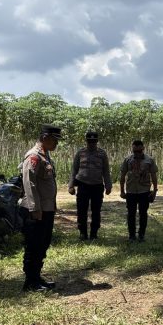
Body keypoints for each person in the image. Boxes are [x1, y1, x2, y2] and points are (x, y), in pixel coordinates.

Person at [20, 124, 61, 292]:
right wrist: (34, 208)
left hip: (46, 208)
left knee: (43, 244)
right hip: (37, 210)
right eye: (54, 139)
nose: (56, 143)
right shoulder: (34, 156)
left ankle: (36, 277)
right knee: (34, 245)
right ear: (44, 137)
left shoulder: (45, 156)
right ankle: (30, 282)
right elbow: (29, 183)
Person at [68, 131, 112, 240]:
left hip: (97, 186)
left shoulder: (102, 154)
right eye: (89, 141)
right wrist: (71, 185)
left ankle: (94, 233)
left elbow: (106, 171)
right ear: (86, 141)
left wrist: (108, 185)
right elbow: (74, 170)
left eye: (94, 141)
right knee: (81, 210)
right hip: (83, 185)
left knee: (96, 211)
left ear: (97, 141)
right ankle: (82, 233)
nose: (91, 143)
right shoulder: (80, 153)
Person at [119, 140, 158, 243]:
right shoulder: (127, 160)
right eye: (135, 151)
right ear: (132, 149)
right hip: (131, 191)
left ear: (143, 149)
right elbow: (122, 176)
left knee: (143, 213)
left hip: (144, 191)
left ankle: (141, 235)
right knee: (131, 214)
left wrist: (155, 191)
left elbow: (154, 176)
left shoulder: (149, 160)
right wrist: (122, 191)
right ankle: (131, 236)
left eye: (139, 151)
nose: (137, 153)